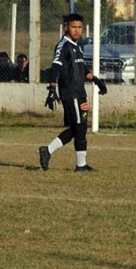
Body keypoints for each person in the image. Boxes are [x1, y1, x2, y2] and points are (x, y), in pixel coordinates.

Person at [38, 13, 107, 173]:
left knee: (78, 129)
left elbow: (82, 68)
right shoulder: (63, 45)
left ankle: (47, 151)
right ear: (66, 27)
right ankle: (80, 165)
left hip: (79, 92)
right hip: (70, 92)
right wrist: (52, 89)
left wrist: (96, 80)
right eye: (73, 27)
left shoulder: (78, 45)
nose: (76, 30)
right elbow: (55, 66)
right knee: (80, 128)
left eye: (79, 27)